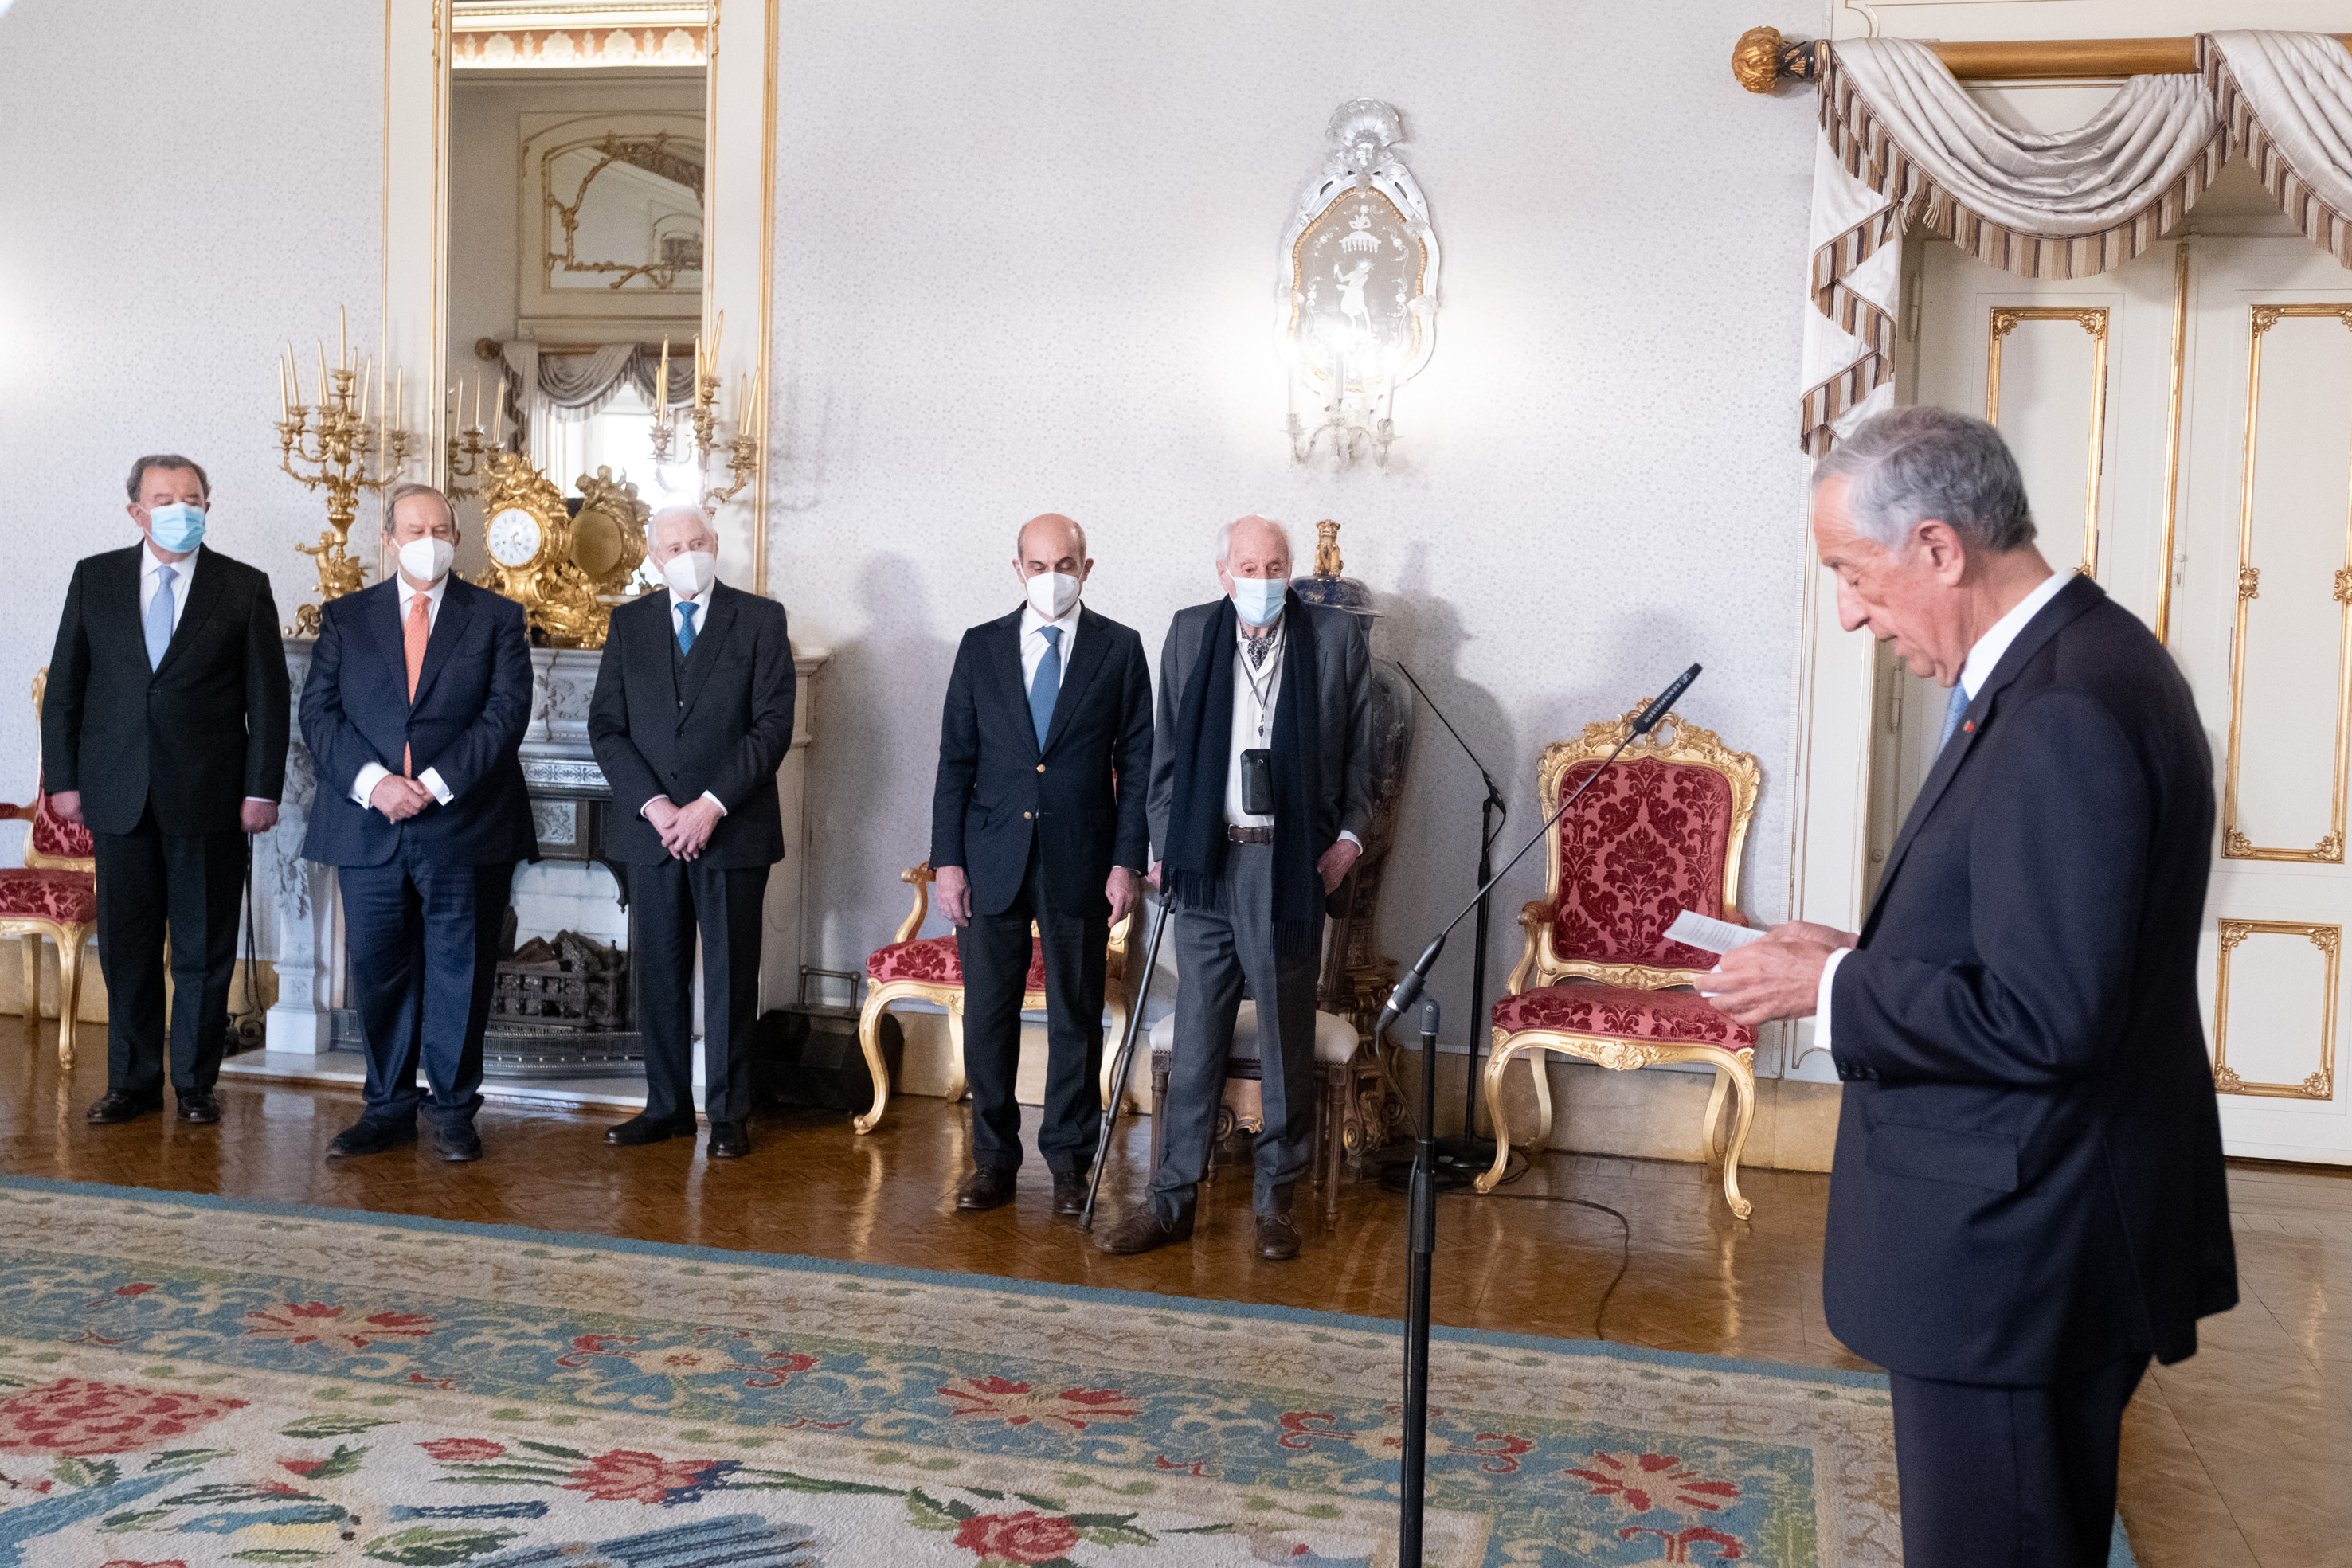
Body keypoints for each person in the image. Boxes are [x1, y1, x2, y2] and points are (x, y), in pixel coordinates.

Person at [1704, 407, 2237, 1568]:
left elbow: (2048, 1017)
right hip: (2046, 1231)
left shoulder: (2064, 710)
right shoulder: (2082, 663)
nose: (1850, 613)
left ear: (1939, 548)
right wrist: (1866, 954)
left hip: (2020, 1252)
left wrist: (1833, 987)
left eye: (1853, 574)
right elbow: (2050, 948)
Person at [1097, 514, 1372, 1261]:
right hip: (1205, 861)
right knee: (1195, 1040)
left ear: (1290, 570)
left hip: (1286, 867)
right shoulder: (1190, 632)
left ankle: (1273, 1204)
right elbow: (1164, 757)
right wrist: (1166, 845)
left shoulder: (1335, 639)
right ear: (1223, 573)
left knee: (1285, 1041)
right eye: (1247, 568)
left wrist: (1345, 845)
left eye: (1274, 566)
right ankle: (1170, 1201)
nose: (1261, 579)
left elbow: (1361, 759)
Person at [43, 455, 290, 1128]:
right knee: (127, 946)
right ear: (136, 510)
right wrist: (63, 780)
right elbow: (65, 688)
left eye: (192, 497)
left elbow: (269, 701)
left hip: (210, 797)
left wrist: (262, 789)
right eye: (164, 497)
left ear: (208, 506)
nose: (181, 507)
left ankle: (196, 1083)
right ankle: (132, 1081)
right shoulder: (94, 578)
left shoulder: (243, 586)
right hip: (117, 792)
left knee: (204, 951)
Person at [299, 483, 537, 1163]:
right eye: (413, 529)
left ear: (456, 538)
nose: (427, 540)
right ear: (389, 540)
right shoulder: (345, 617)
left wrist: (431, 786)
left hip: (465, 825)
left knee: (461, 975)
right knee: (379, 974)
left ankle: (455, 1111)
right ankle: (386, 1109)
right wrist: (376, 785)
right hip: (366, 824)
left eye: (439, 529)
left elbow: (505, 715)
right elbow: (319, 713)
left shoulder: (497, 617)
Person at [929, 514, 1153, 1214]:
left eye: (1065, 564)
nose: (1051, 576)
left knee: (1074, 1017)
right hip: (990, 856)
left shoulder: (1120, 648)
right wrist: (947, 863)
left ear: (1086, 568)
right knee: (988, 1017)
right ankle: (993, 1160)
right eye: (1038, 564)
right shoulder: (981, 646)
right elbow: (954, 761)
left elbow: (1138, 765)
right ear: (1018, 569)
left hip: (1081, 858)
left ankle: (1068, 1162)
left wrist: (1126, 862)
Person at [589, 506, 796, 1159]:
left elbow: (772, 726)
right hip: (651, 832)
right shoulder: (628, 624)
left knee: (731, 975)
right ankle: (667, 1106)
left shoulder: (761, 618)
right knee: (658, 974)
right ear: (654, 557)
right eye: (673, 546)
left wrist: (709, 806)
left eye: (697, 541)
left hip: (732, 829)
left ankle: (729, 1112)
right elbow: (606, 727)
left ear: (716, 543)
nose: (687, 553)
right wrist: (656, 806)